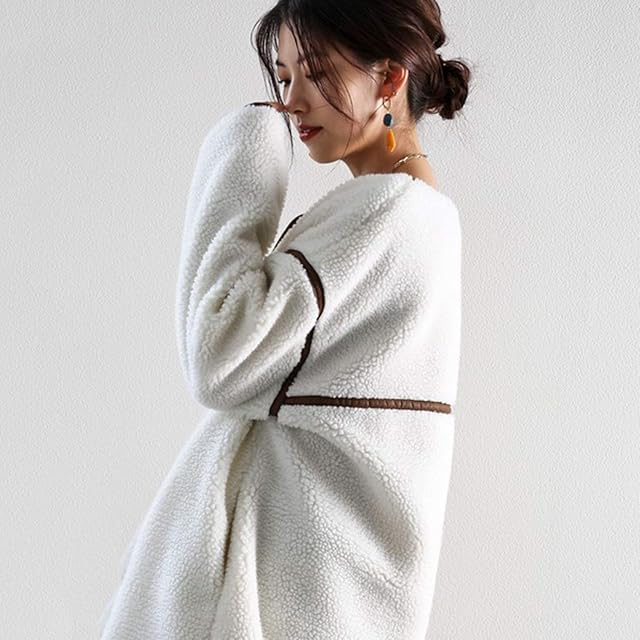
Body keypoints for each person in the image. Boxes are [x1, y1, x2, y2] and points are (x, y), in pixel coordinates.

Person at [98, 1, 471, 638]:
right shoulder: (420, 215)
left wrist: (247, 147)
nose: (292, 101)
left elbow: (218, 355)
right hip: (322, 599)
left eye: (317, 73)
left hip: (288, 602)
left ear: (388, 78)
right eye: (283, 76)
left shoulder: (384, 213)